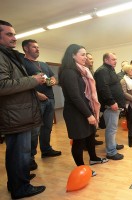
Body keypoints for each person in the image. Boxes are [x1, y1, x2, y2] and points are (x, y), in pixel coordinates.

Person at [0, 20, 46, 199]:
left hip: (19, 113)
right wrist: (34, 80)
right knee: (19, 152)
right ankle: (21, 188)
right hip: (15, 114)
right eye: (9, 34)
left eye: (14, 34)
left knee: (17, 153)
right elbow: (2, 85)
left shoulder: (9, 55)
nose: (14, 38)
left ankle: (17, 181)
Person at [58, 44, 108, 175]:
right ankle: (81, 168)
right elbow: (75, 97)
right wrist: (88, 114)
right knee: (79, 141)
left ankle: (94, 158)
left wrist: (90, 111)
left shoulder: (82, 70)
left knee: (91, 136)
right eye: (82, 55)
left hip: (86, 108)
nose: (85, 57)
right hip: (75, 112)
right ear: (73, 55)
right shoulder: (68, 72)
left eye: (86, 55)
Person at [21, 39, 61, 171]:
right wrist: (37, 95)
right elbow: (22, 83)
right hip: (35, 101)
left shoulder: (43, 64)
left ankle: (46, 150)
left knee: (47, 127)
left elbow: (52, 77)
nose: (37, 49)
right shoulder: (22, 64)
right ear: (26, 49)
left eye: (38, 47)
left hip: (50, 99)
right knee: (34, 131)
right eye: (34, 47)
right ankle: (30, 158)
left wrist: (53, 80)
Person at [94, 52, 126, 160]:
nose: (115, 61)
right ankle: (111, 152)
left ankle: (113, 144)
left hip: (115, 104)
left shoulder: (110, 69)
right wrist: (111, 102)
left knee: (113, 128)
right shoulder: (102, 71)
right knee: (111, 129)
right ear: (106, 60)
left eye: (116, 59)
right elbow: (103, 88)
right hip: (110, 105)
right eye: (113, 59)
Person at [84, 52, 103, 143]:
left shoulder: (91, 70)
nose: (93, 60)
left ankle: (92, 140)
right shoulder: (83, 71)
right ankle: (87, 144)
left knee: (94, 121)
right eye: (90, 59)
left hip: (93, 99)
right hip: (87, 100)